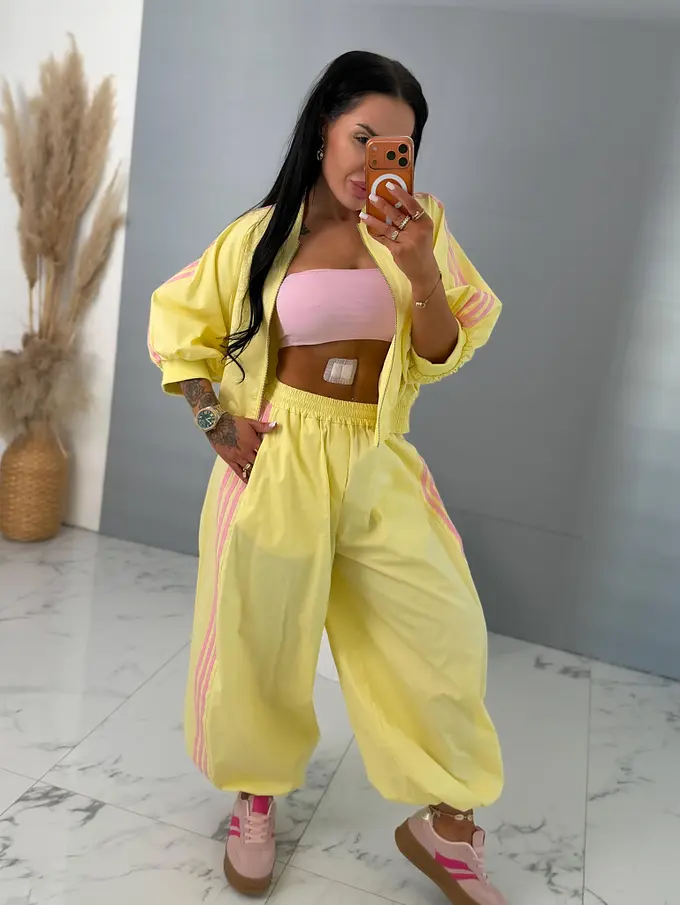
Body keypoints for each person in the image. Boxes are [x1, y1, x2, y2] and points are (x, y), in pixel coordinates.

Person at [149, 50, 506, 905]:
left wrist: (421, 269)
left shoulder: (423, 226)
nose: (375, 160)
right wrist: (215, 422)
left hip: (374, 453)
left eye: (398, 146)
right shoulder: (262, 235)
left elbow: (442, 349)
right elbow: (179, 327)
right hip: (279, 456)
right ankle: (255, 797)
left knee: (443, 628)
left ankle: (447, 822)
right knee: (260, 634)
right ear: (323, 131)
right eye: (362, 136)